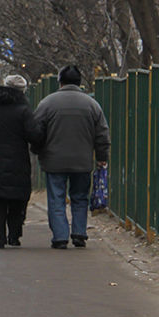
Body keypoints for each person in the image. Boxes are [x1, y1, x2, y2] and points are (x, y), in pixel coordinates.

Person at [34, 65, 111, 249]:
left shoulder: (47, 103)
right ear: (80, 82)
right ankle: (79, 233)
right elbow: (102, 134)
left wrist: (38, 150)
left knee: (56, 198)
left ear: (60, 81)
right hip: (82, 161)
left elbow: (36, 131)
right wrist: (102, 157)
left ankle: (60, 237)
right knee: (79, 197)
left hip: (54, 161)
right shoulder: (92, 105)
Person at [0, 74, 43, 248]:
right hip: (18, 158)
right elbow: (34, 134)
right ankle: (14, 235)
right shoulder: (23, 109)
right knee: (17, 198)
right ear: (22, 90)